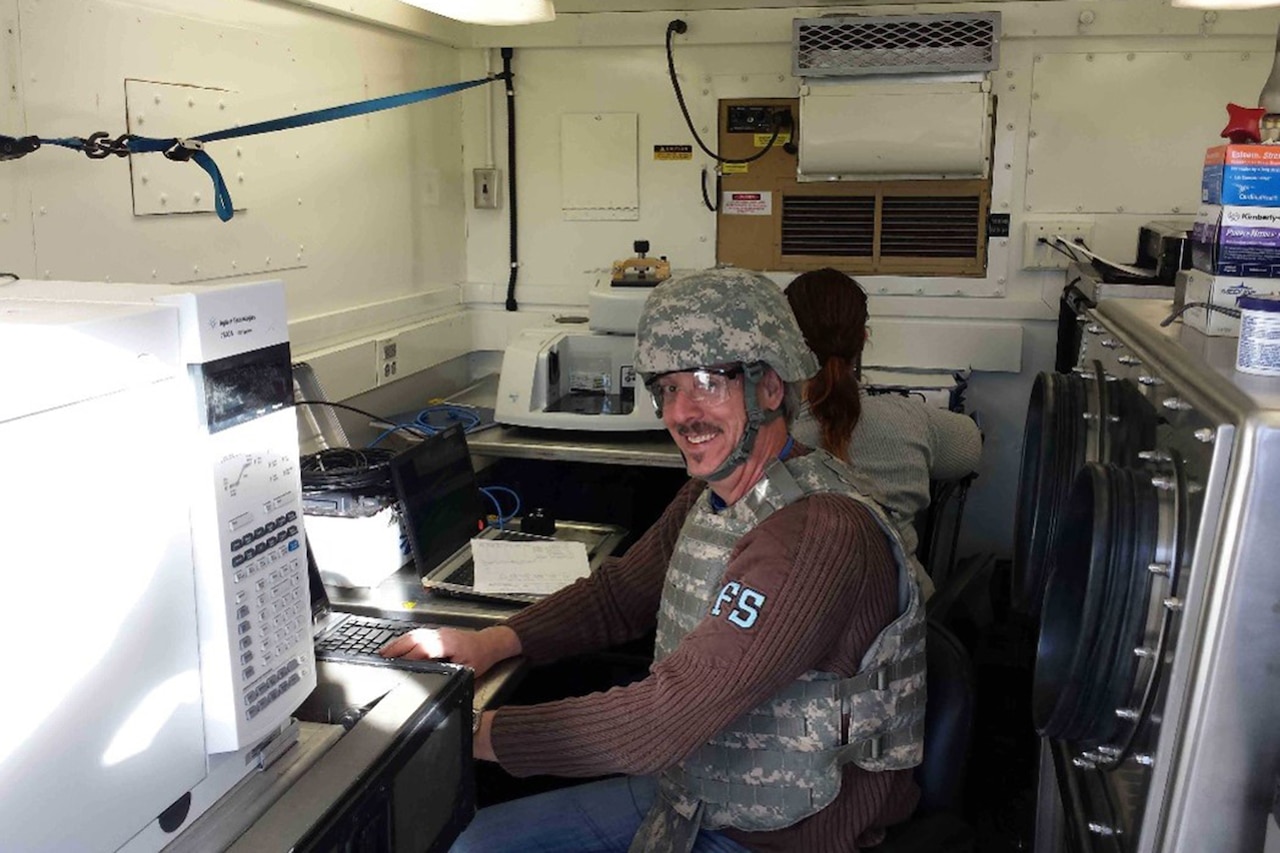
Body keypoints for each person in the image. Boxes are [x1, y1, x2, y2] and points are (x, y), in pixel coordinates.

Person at [381, 267, 926, 853]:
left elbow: (663, 721)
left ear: (770, 388)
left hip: (781, 833)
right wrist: (495, 640)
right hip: (694, 791)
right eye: (667, 387)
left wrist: (462, 734)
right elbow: (619, 596)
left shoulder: (816, 534)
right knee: (471, 846)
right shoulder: (714, 493)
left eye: (706, 383)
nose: (679, 413)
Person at [784, 268, 982, 592]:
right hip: (908, 621)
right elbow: (970, 449)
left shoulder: (771, 443)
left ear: (785, 346)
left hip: (804, 622)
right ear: (863, 340)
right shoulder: (906, 417)